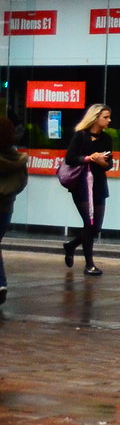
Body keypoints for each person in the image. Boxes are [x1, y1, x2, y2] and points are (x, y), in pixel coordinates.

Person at [63, 104, 115, 277]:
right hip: (82, 185)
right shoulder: (80, 136)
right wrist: (88, 158)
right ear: (95, 118)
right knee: (89, 223)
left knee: (96, 227)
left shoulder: (107, 138)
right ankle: (89, 264)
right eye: (105, 117)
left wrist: (103, 163)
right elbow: (70, 158)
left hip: (99, 184)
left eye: (109, 117)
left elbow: (110, 163)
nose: (109, 120)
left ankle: (71, 246)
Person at [0, 117, 24, 305]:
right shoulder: (17, 158)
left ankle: (1, 283)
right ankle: (1, 284)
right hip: (5, 208)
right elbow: (20, 184)